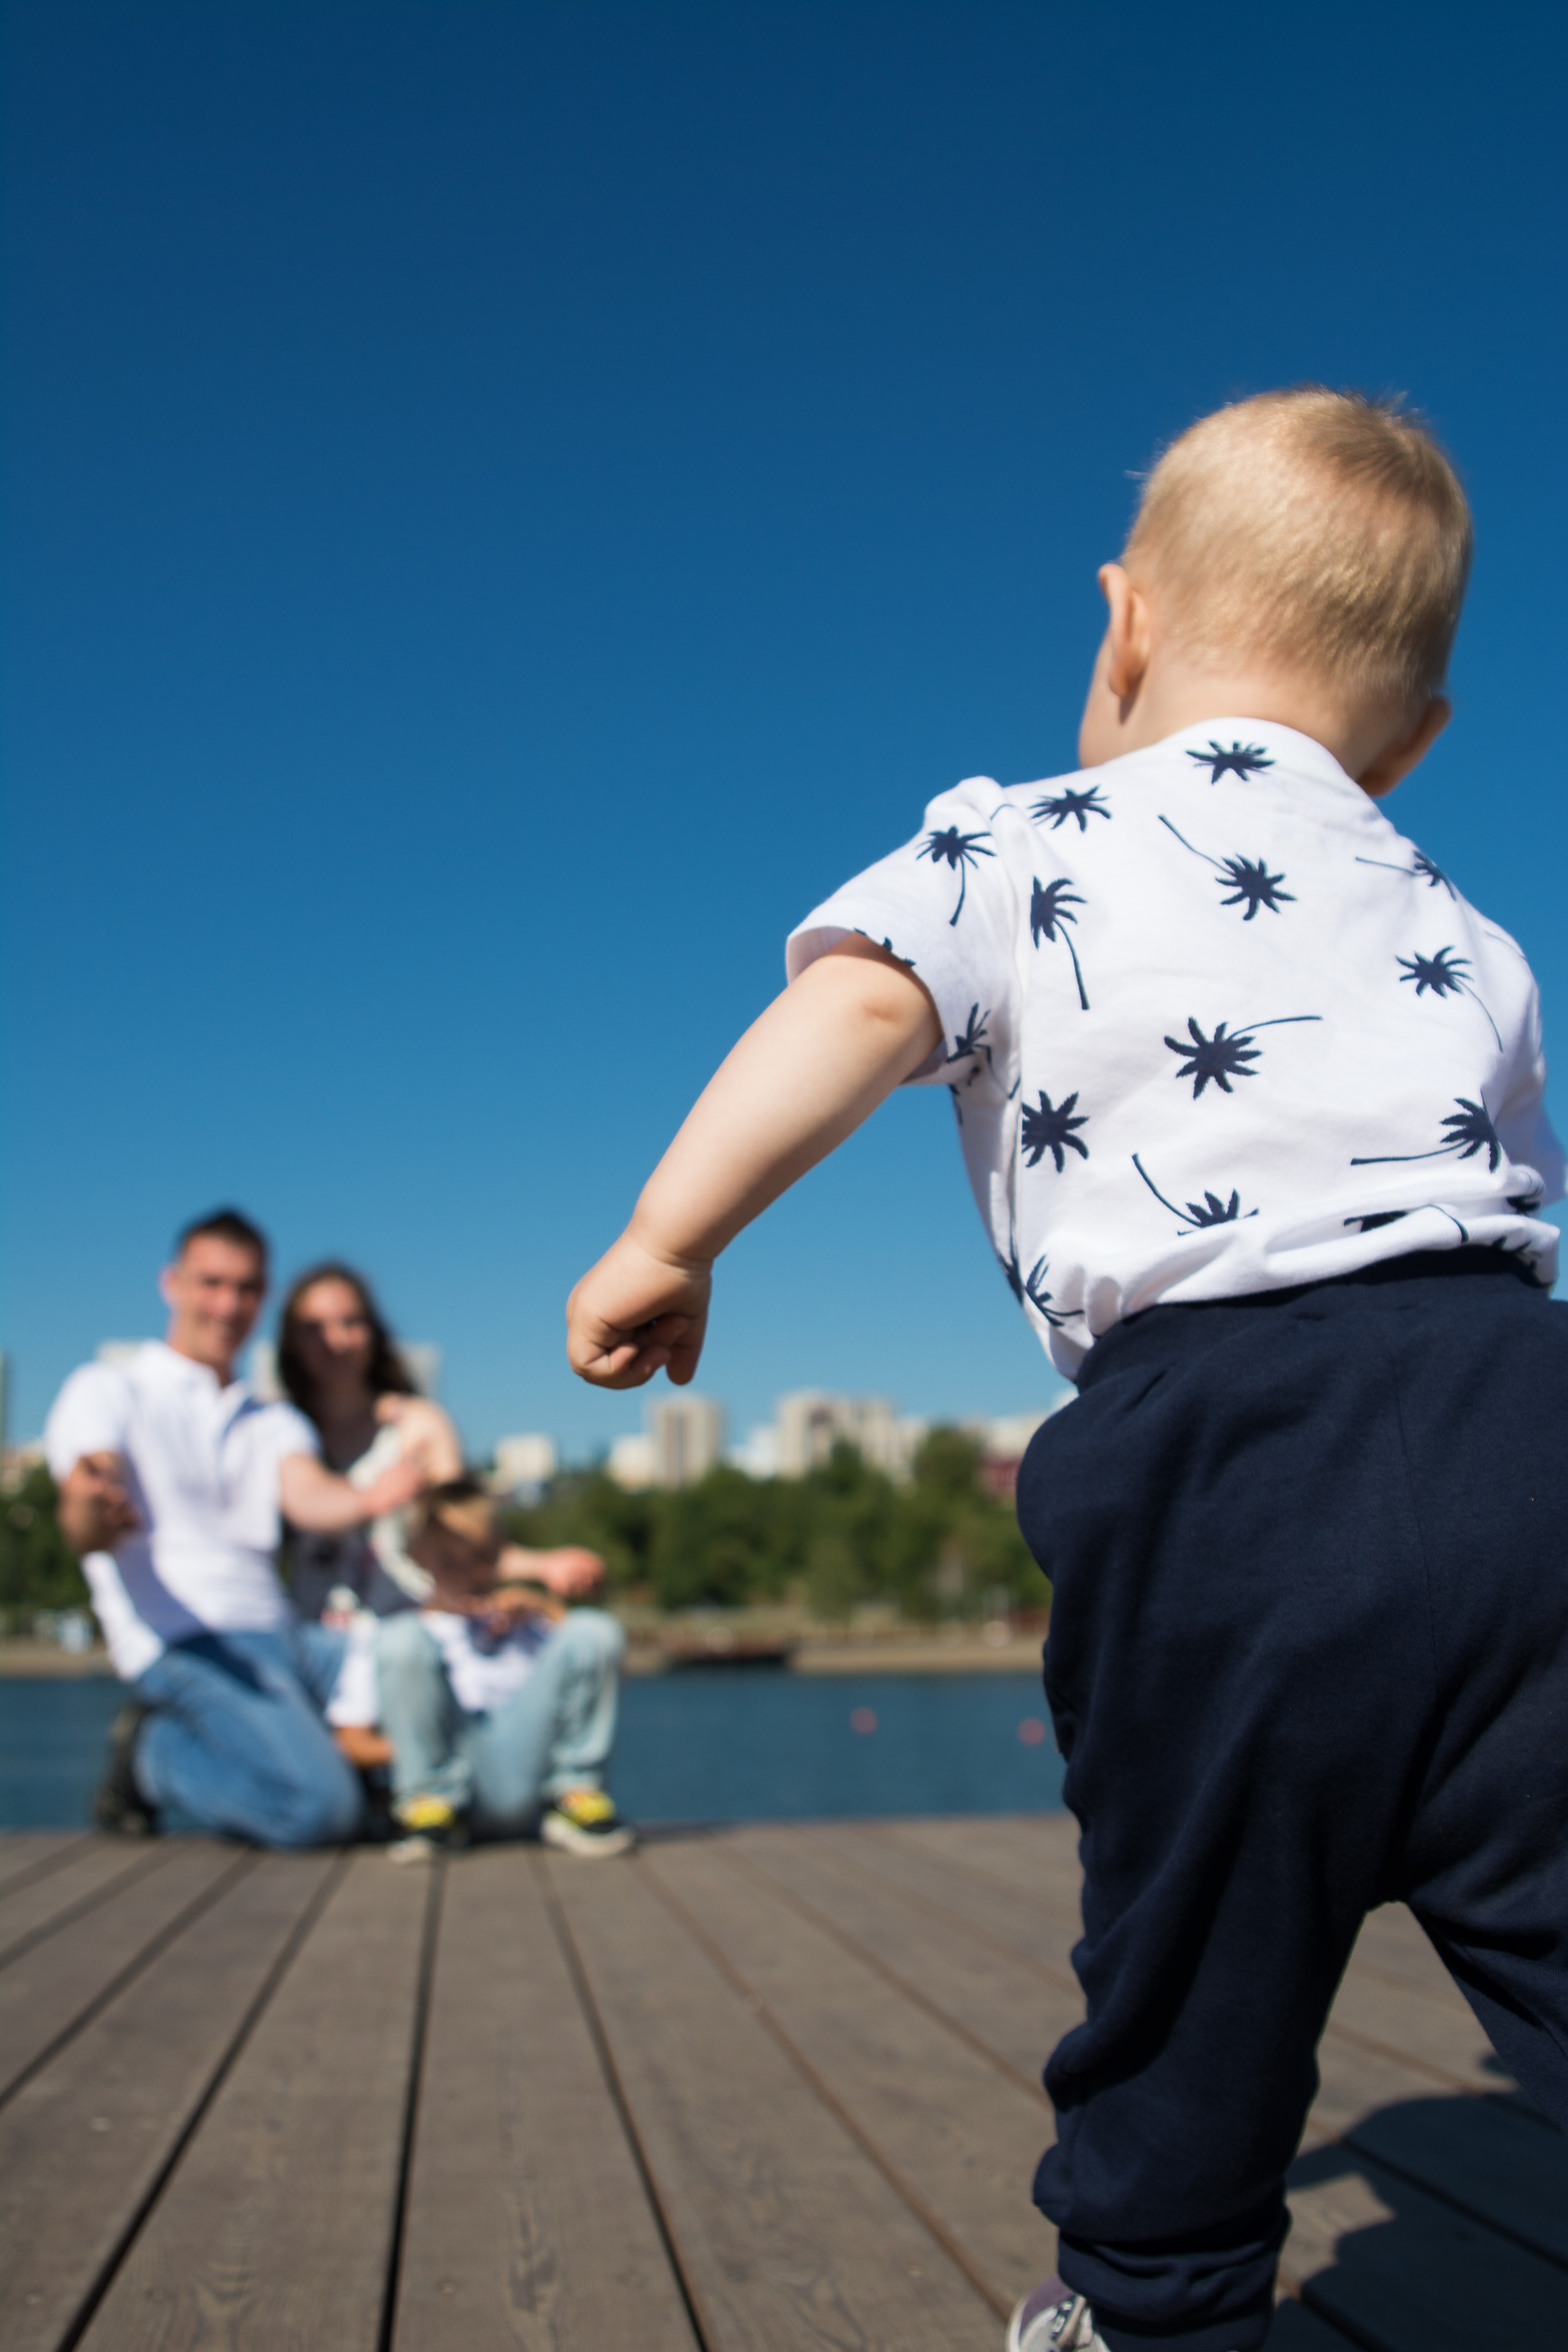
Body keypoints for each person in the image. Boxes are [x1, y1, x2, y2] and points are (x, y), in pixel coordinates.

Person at [565, 389, 1568, 2352]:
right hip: (1522, 1417)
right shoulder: (1471, 929)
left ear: (1122, 625)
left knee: (1193, 1933)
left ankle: (1154, 2302)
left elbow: (854, 1005)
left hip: (1229, 1456)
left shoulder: (1016, 838)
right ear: (1421, 735)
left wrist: (667, 1237)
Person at [46, 1208, 427, 1847]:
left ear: (263, 1298)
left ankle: (348, 1764)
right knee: (317, 1811)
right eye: (211, 1283)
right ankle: (151, 1757)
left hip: (290, 1639)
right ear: (172, 1284)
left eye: (246, 1288)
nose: (228, 1304)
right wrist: (93, 1501)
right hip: (184, 1641)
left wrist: (372, 1497)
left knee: (423, 1669)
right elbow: (85, 1515)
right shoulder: (107, 1389)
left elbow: (309, 1495)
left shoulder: (271, 1419)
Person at [326, 1477, 633, 1860]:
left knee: (594, 1628)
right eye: (452, 1558)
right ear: (420, 1555)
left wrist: (543, 1608)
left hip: (528, 1770)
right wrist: (427, 1744)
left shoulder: (529, 1625)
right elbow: (351, 1742)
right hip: (447, 1774)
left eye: (483, 1557)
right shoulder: (388, 1636)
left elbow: (595, 1666)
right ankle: (431, 1808)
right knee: (403, 1640)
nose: (469, 1571)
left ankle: (574, 1797)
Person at [275, 1261, 464, 1620]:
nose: (336, 1341)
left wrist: (538, 1567)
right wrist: (375, 1499)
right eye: (315, 1328)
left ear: (374, 1331)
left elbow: (466, 1536)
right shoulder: (279, 1432)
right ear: (292, 1342)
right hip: (313, 1636)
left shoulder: (418, 1425)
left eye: (352, 1322)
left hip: (411, 1624)